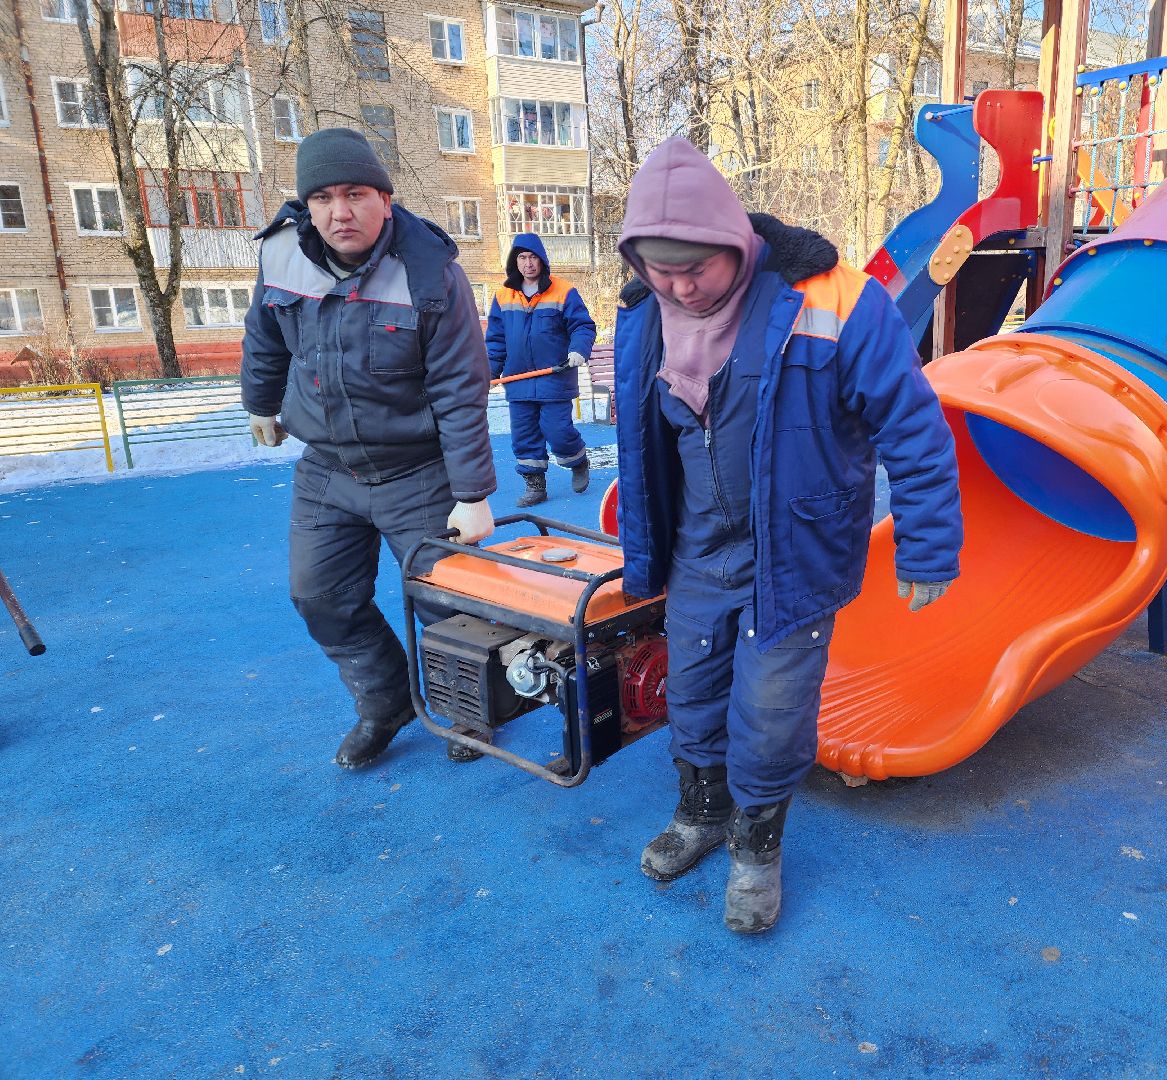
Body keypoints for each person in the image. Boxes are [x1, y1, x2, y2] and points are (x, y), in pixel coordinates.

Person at [613, 138, 963, 934]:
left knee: (771, 706)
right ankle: (701, 812)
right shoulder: (642, 316)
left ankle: (756, 848)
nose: (677, 285)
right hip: (699, 547)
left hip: (794, 548)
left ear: (735, 245)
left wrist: (928, 544)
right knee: (693, 687)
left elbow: (912, 425)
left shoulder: (835, 299)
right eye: (657, 268)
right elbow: (640, 438)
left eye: (693, 268)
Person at [242, 128, 497, 769]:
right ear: (307, 206)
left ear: (385, 198)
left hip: (418, 470)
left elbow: (460, 388)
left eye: (356, 193)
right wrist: (260, 402)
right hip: (328, 468)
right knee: (319, 594)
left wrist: (472, 495)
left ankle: (467, 709)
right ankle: (386, 701)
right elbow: (265, 338)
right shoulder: (281, 256)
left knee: (447, 603)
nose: (340, 211)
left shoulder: (430, 272)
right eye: (323, 198)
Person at [486, 234, 596, 507]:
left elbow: (582, 326)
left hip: (554, 377)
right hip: (519, 380)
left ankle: (577, 459)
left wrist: (578, 349)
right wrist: (489, 372)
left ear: (542, 259)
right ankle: (535, 485)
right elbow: (496, 340)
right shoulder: (503, 296)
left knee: (557, 429)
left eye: (532, 257)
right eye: (522, 258)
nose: (528, 263)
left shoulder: (563, 291)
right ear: (515, 262)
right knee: (524, 434)